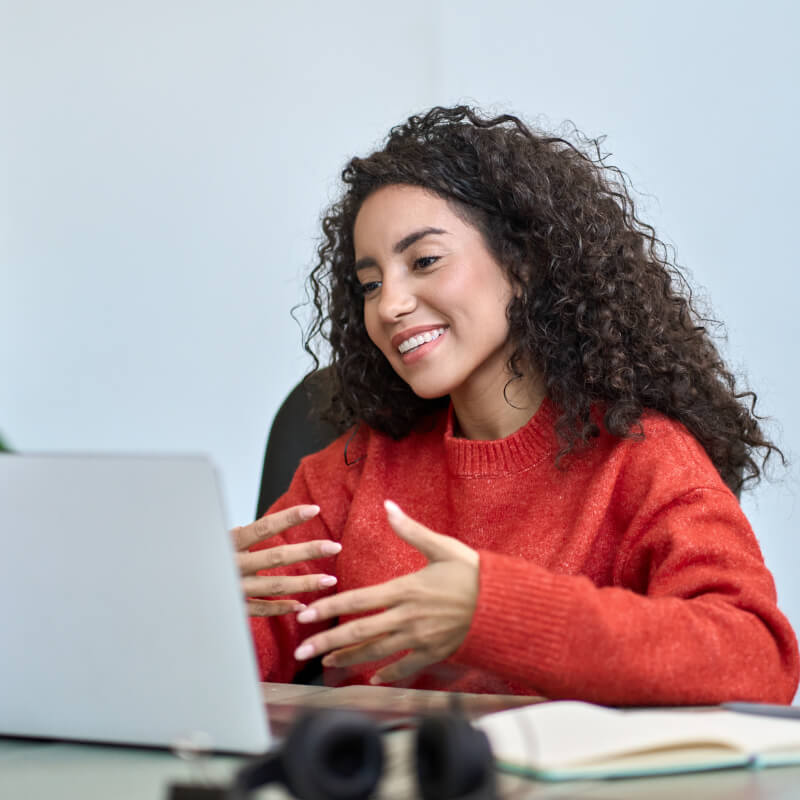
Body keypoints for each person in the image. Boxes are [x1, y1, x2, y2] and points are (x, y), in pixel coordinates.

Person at [233, 105, 799, 705]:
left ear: (523, 265)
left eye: (424, 261)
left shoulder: (642, 459)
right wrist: (195, 605)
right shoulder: (352, 470)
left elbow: (756, 659)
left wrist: (497, 612)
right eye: (370, 283)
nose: (389, 305)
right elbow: (231, 656)